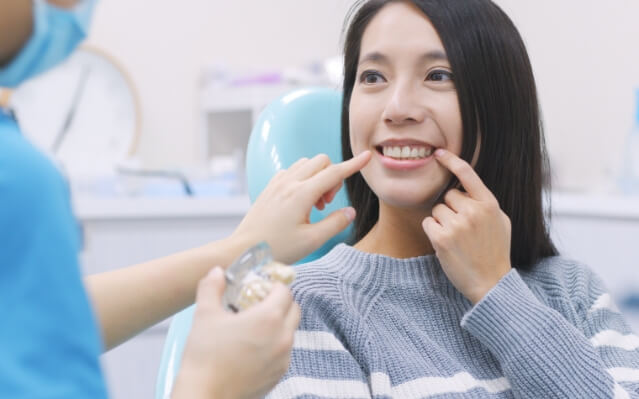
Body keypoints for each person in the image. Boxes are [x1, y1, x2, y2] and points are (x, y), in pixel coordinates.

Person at [265, 0, 639, 398]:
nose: (397, 109)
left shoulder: (573, 290)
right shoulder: (306, 308)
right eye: (372, 76)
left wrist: (498, 293)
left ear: (501, 108)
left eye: (438, 75)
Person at [0, 1, 372, 398]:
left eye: (436, 76)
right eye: (372, 76)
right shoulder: (19, 180)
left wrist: (243, 249)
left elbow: (42, 316)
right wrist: (211, 386)